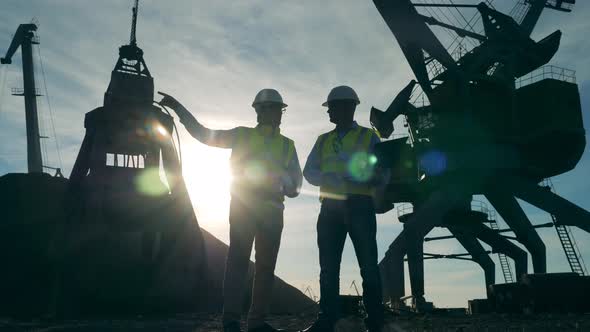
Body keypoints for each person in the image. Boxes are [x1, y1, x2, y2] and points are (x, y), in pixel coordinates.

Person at [159, 89, 302, 332]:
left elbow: (296, 185)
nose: (278, 113)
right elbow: (203, 134)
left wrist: (285, 183)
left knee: (265, 267)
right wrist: (178, 107)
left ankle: (256, 322)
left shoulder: (288, 145)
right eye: (273, 108)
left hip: (272, 212)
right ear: (260, 111)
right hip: (244, 208)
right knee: (237, 262)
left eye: (279, 109)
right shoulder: (242, 136)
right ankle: (232, 320)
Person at [302, 86, 386, 332]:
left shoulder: (368, 137)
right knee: (328, 268)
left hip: (359, 205)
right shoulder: (323, 140)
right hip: (330, 208)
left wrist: (365, 178)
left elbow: (383, 171)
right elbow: (309, 172)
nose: (329, 112)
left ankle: (375, 322)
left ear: (347, 108)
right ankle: (328, 320)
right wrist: (330, 177)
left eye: (332, 108)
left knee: (368, 266)